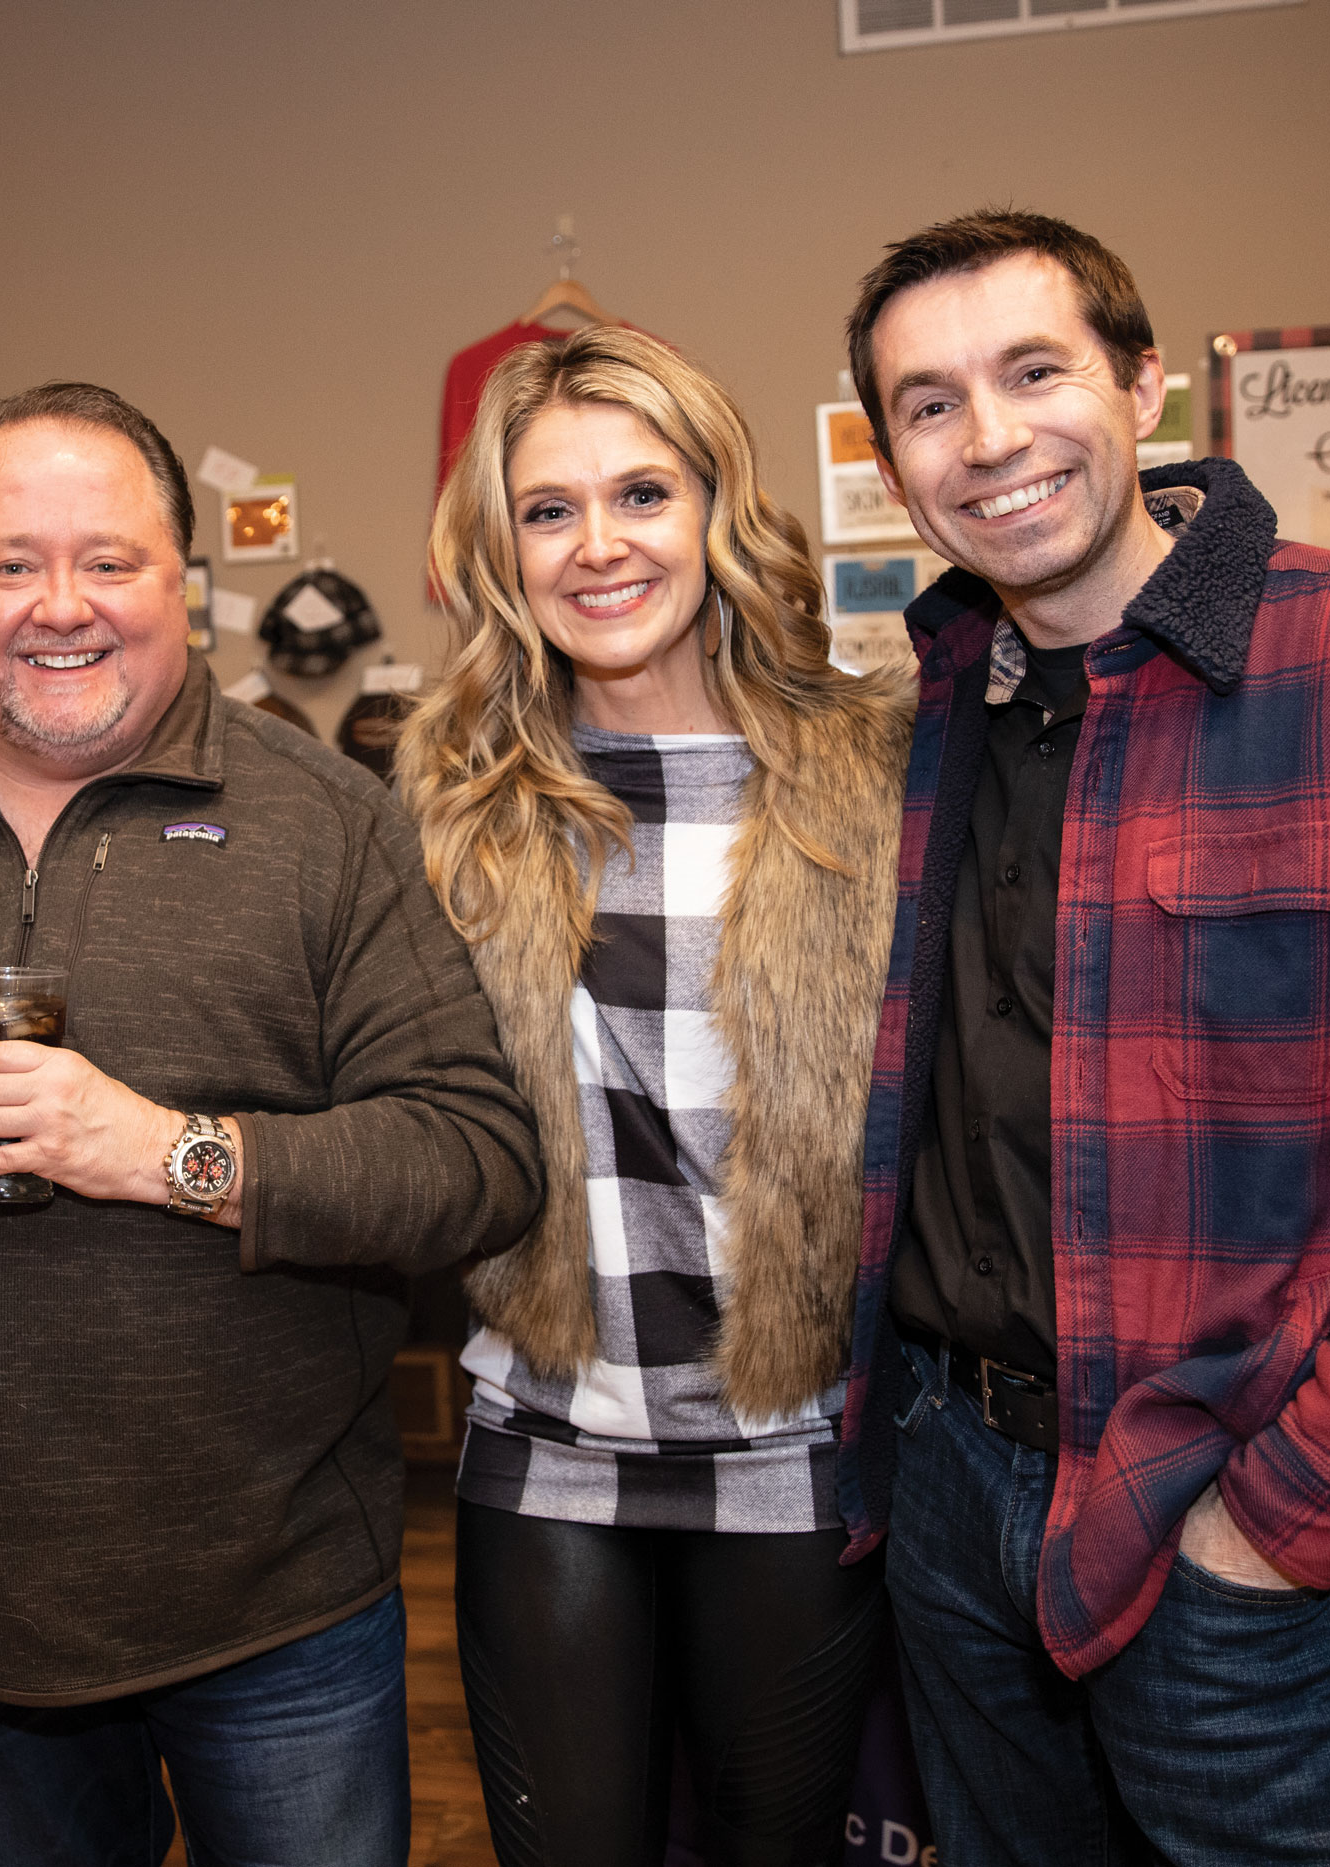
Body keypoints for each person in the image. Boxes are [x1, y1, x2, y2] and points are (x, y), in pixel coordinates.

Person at [834, 210, 1330, 1865]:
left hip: (1233, 1532)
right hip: (951, 1493)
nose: (987, 438)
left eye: (1035, 371)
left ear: (1144, 385)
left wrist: (1279, 1525)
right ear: (892, 455)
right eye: (928, 403)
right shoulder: (918, 718)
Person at [0, 380, 543, 1867]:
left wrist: (169, 1154)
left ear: (178, 582)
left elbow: (475, 1158)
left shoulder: (326, 820)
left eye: (109, 561)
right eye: (10, 563)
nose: (61, 606)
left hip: (278, 1608)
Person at [397, 326, 916, 1867]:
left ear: (717, 508)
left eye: (642, 493)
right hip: (550, 1438)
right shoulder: (450, 801)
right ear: (502, 549)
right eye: (549, 509)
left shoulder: (876, 769)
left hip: (795, 1448)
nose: (599, 544)